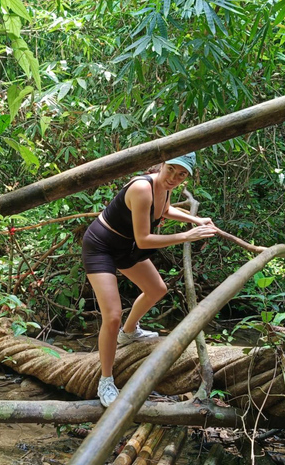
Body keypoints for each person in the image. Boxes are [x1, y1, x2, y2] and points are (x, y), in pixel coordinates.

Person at [81, 152, 219, 407]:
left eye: (181, 175)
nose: (173, 178)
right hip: (100, 247)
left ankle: (129, 332)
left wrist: (194, 219)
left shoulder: (165, 188)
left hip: (125, 247)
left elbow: (164, 210)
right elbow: (144, 239)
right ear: (163, 165)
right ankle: (106, 380)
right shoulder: (142, 188)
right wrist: (187, 236)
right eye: (171, 170)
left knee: (157, 289)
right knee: (111, 316)